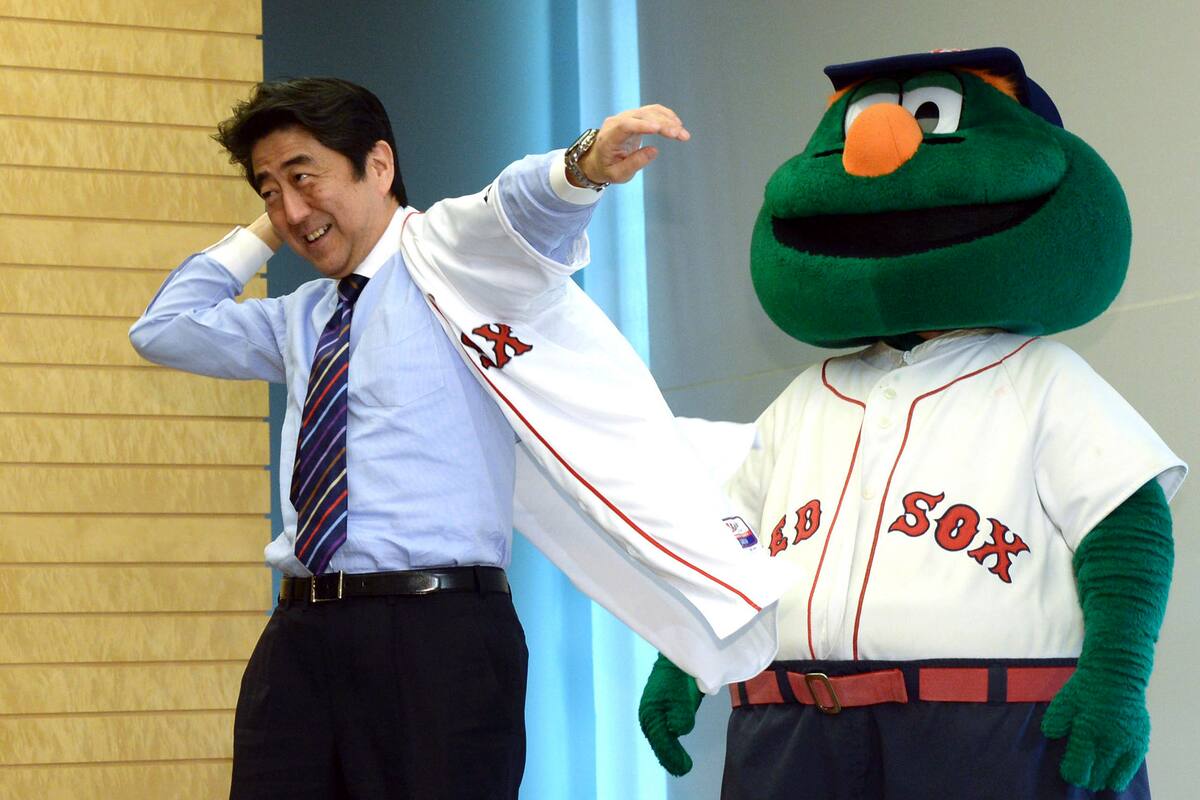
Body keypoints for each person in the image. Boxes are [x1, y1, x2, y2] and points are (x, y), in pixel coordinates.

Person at [131, 77, 789, 799]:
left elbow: (516, 207)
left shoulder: (452, 256)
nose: (288, 206)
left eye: (304, 176)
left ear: (378, 166)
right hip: (300, 635)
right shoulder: (299, 318)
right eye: (267, 189)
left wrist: (582, 164)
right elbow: (165, 328)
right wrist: (278, 220)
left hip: (439, 636)